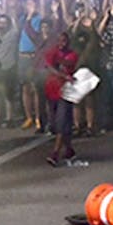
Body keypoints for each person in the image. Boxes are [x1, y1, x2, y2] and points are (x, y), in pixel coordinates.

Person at [42, 29, 78, 166]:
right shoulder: (52, 52)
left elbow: (69, 64)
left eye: (64, 41)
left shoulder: (72, 55)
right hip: (52, 90)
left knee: (62, 121)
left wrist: (59, 64)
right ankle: (69, 149)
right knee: (57, 123)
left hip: (65, 92)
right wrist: (63, 75)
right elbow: (49, 67)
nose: (61, 43)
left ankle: (55, 153)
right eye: (59, 41)